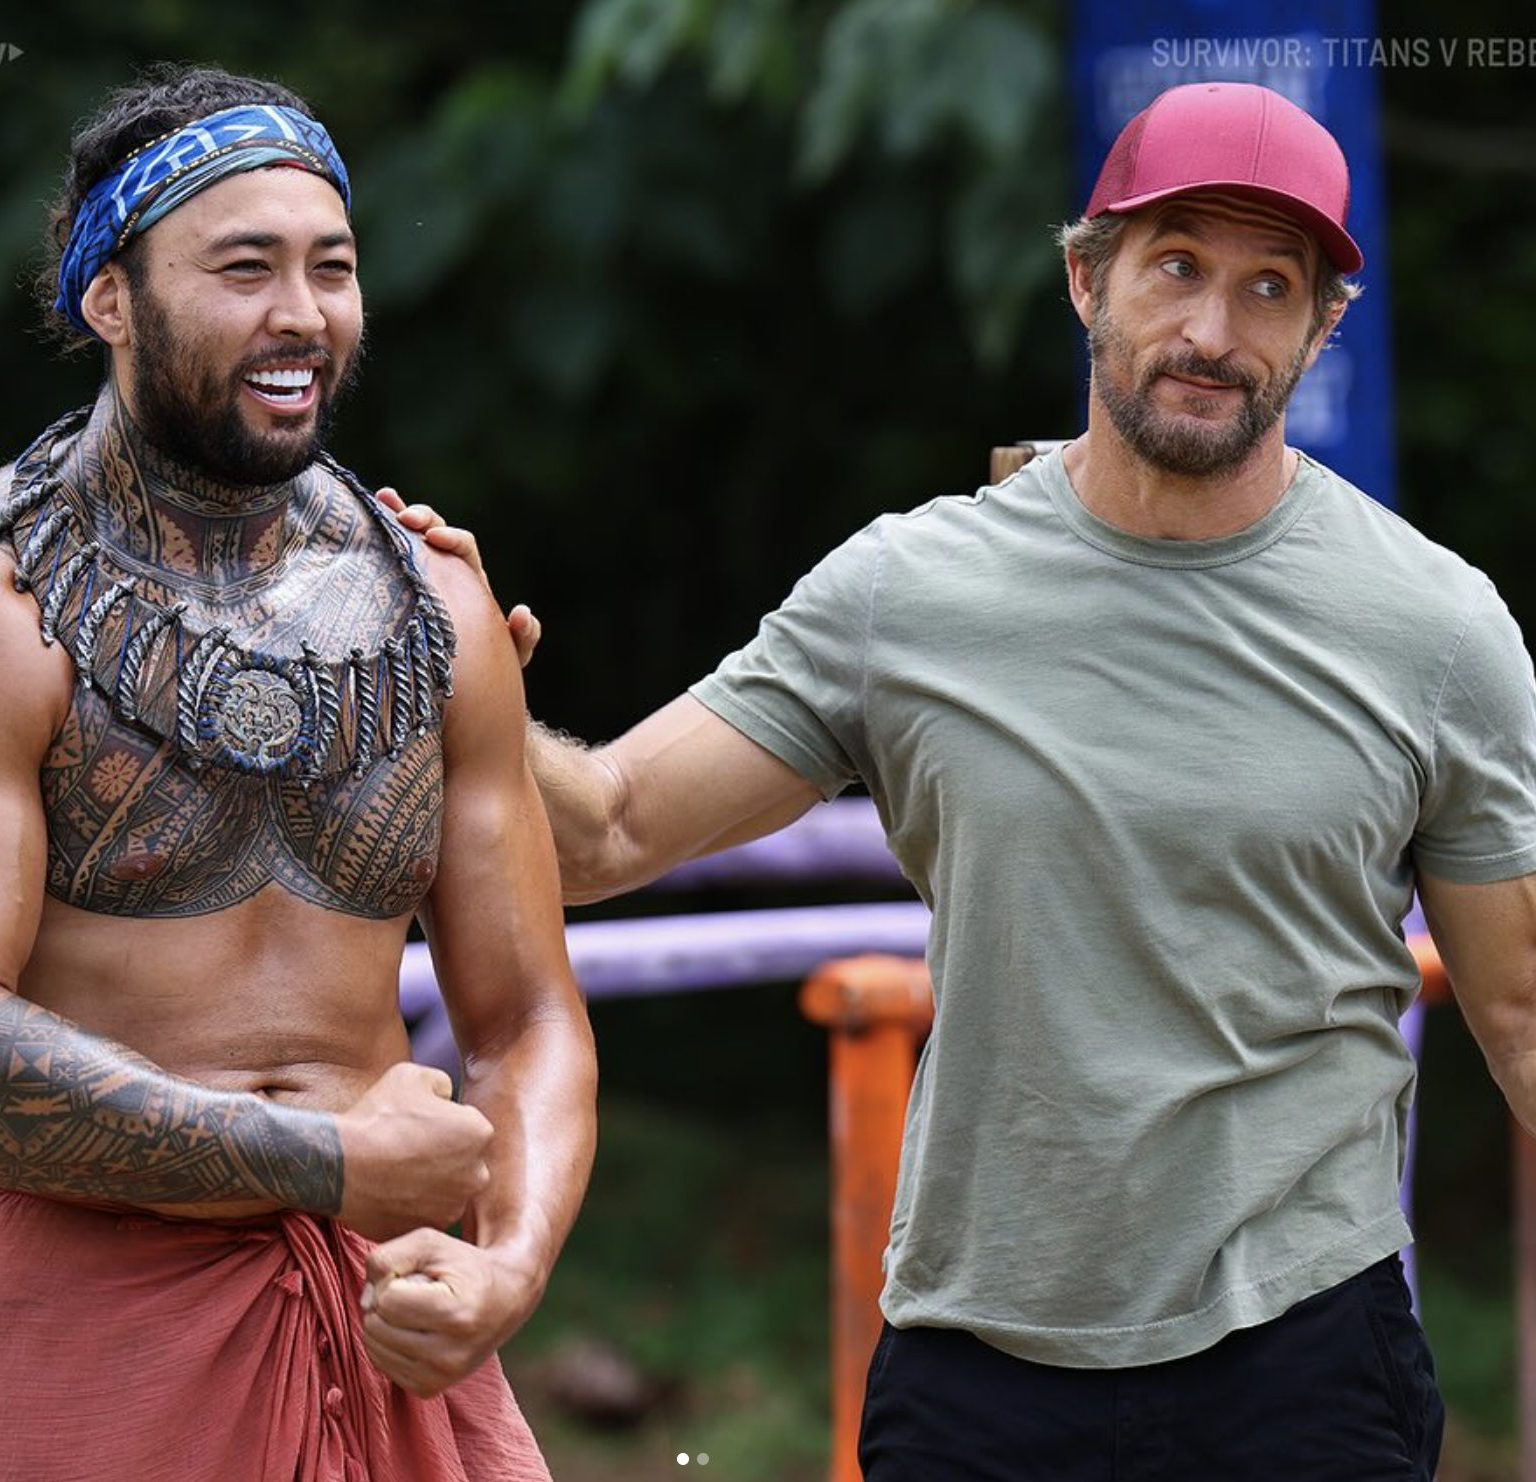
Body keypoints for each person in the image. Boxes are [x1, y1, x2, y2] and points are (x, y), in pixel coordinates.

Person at [399, 83, 1536, 1479]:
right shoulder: (908, 590)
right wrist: (451, 676)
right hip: (976, 1355)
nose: (1212, 331)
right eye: (1174, 265)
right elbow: (610, 827)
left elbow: (1518, 1007)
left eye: (1267, 287)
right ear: (1085, 278)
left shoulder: (1433, 626)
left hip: (1300, 1345)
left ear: (1318, 326)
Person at [0, 65, 594, 1482]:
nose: (300, 313)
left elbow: (528, 1012)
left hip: (378, 1316)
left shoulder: (435, 604)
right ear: (109, 298)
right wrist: (320, 1161)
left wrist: (511, 1263)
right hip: (65, 1336)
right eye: (244, 268)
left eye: (331, 267)